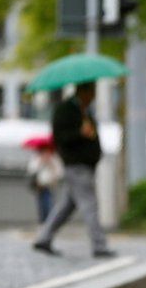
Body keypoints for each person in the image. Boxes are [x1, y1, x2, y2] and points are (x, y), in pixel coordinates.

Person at [32, 82, 114, 258]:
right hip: (76, 164)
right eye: (92, 92)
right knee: (90, 204)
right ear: (83, 92)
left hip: (85, 164)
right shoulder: (66, 110)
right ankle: (99, 245)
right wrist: (80, 133)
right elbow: (60, 136)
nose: (94, 96)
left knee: (67, 205)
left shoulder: (85, 111)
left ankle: (44, 238)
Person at [27, 141, 63, 223]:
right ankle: (42, 222)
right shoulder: (36, 158)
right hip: (39, 186)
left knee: (49, 205)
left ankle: (50, 222)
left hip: (50, 186)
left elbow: (59, 173)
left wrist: (51, 164)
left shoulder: (54, 159)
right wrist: (41, 163)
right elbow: (31, 171)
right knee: (41, 206)